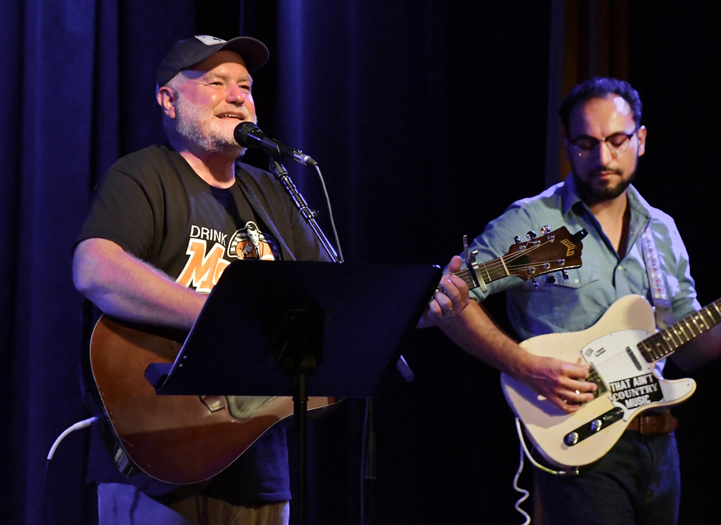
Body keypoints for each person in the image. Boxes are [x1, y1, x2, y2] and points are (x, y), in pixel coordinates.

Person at [73, 35, 468, 525]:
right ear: (168, 100)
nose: (238, 96)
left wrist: (414, 308)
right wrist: (220, 316)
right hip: (152, 466)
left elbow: (335, 313)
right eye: (216, 82)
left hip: (259, 471)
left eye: (246, 85)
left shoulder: (273, 192)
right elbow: (95, 268)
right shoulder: (144, 175)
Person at [438, 77, 721, 524]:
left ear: (641, 140)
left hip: (659, 446)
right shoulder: (532, 221)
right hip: (579, 444)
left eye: (616, 140)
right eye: (587, 143)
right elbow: (449, 300)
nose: (603, 158)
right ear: (568, 145)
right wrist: (523, 365)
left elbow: (685, 347)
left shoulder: (662, 231)